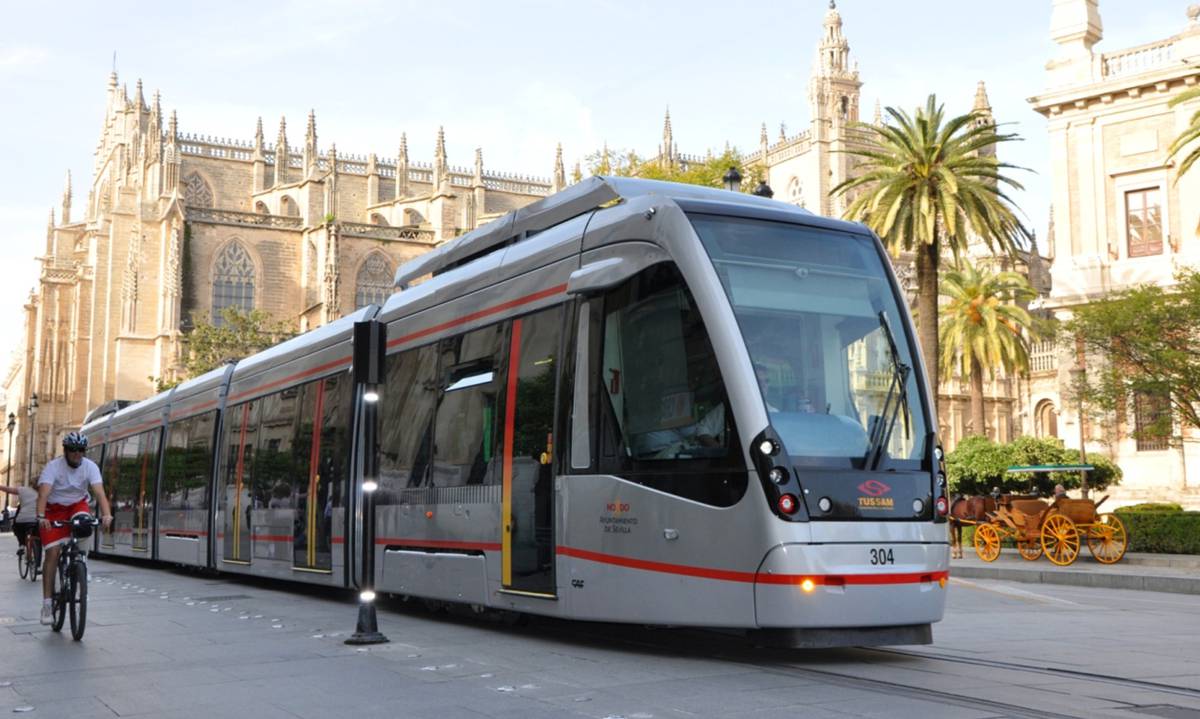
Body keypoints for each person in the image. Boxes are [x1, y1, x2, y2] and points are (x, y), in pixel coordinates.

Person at [36, 432, 112, 625]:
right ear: (66, 451)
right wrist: (41, 516)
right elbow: (43, 494)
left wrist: (106, 514)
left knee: (86, 524)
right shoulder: (53, 467)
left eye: (81, 450)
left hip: (77, 505)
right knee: (52, 553)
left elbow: (100, 493)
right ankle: (46, 604)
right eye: (73, 450)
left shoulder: (90, 467)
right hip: (53, 510)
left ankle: (81, 564)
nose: (77, 454)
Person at [0, 482, 39, 559]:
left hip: (22, 520)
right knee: (38, 538)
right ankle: (38, 566)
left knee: (16, 527)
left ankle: (21, 544)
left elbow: (8, 489)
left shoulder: (23, 490)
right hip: (37, 520)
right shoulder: (46, 492)